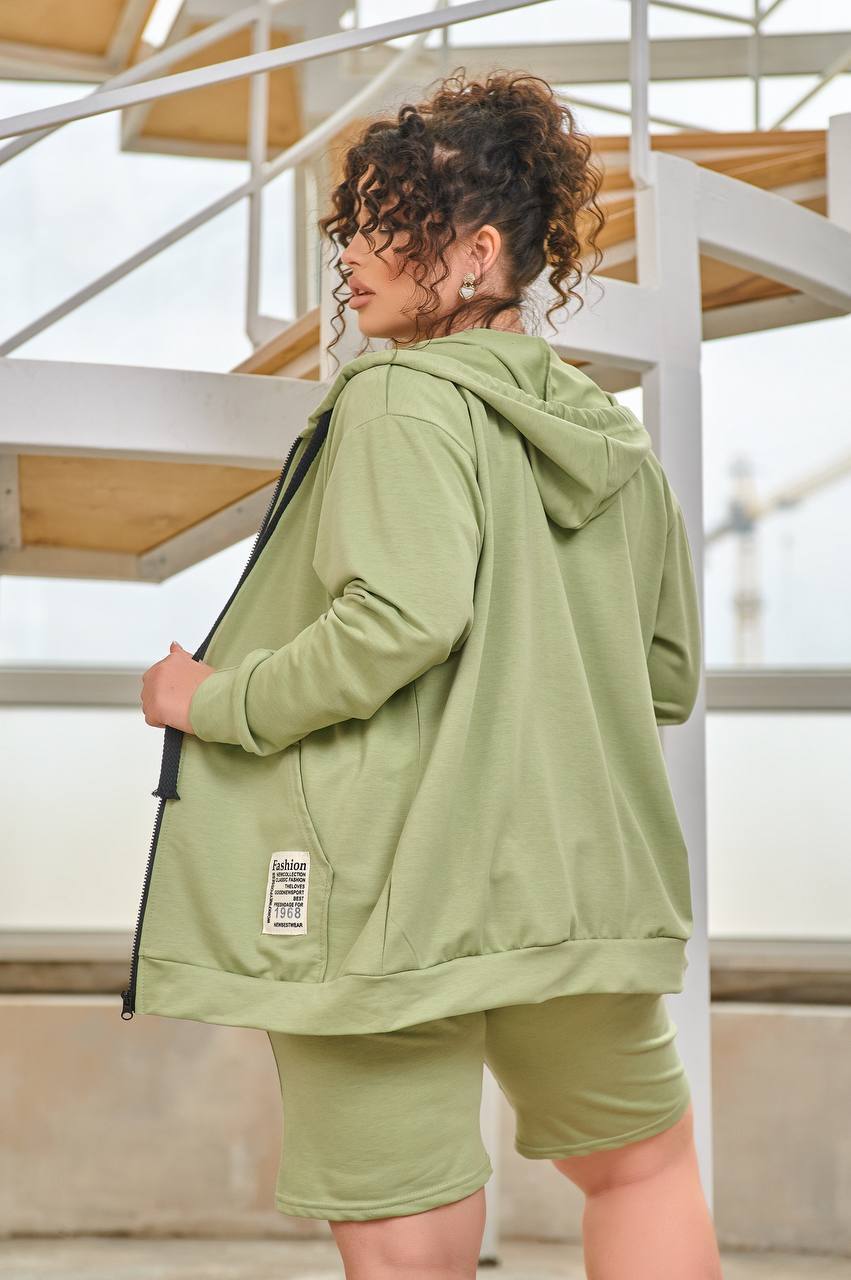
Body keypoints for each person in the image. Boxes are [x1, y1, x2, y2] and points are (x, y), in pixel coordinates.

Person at [138, 70, 722, 1279]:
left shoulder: (400, 399)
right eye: (349, 224)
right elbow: (663, 676)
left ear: (476, 252)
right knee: (640, 1167)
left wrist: (212, 699)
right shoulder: (614, 441)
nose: (348, 253)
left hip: (394, 893)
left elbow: (400, 619)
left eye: (383, 223)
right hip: (579, 885)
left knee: (407, 1228)